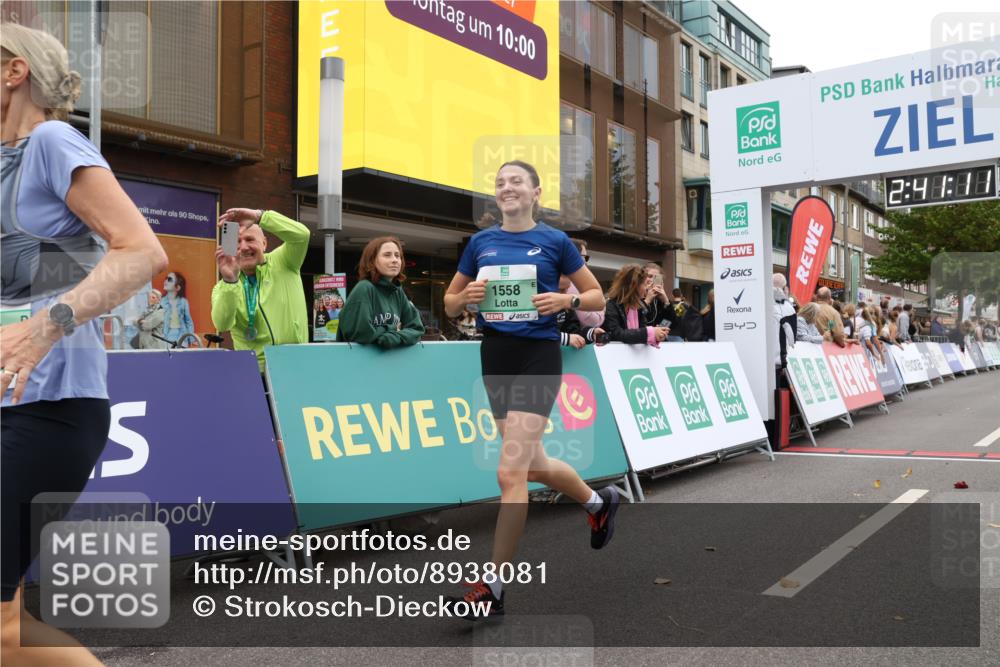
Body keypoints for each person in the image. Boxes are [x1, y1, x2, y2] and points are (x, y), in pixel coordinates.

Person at [0, 23, 168, 665]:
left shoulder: (49, 139)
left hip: (50, 408)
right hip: (14, 404)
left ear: (15, 72)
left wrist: (47, 326)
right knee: (10, 624)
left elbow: (141, 252)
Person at [442, 160, 614, 619]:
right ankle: (598, 502)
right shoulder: (480, 243)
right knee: (532, 463)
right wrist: (466, 300)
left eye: (516, 181)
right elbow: (449, 301)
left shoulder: (554, 242)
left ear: (536, 192)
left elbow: (597, 295)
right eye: (500, 183)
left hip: (538, 356)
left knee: (509, 473)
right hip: (495, 355)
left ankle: (493, 588)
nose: (507, 188)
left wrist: (567, 300)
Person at [211, 206, 310, 372]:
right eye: (236, 242)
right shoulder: (223, 287)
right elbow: (222, 324)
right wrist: (230, 281)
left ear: (264, 243)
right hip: (253, 373)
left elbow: (302, 236)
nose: (243, 247)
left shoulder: (284, 262)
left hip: (294, 367)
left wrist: (260, 216)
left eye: (250, 240)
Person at [337, 236, 425, 347]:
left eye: (397, 256)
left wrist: (394, 336)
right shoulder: (364, 288)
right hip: (359, 361)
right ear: (372, 260)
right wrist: (393, 329)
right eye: (387, 255)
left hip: (389, 362)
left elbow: (417, 329)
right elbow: (360, 333)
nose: (394, 260)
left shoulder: (398, 291)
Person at [603, 264, 670, 346]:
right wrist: (650, 332)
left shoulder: (637, 307)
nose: (647, 287)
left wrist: (656, 335)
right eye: (645, 284)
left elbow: (640, 332)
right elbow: (616, 333)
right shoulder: (611, 305)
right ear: (634, 286)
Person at [556, 276, 605, 348]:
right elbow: (537, 333)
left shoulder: (566, 307)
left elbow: (573, 330)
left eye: (567, 289)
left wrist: (590, 333)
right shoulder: (535, 306)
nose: (565, 294)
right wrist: (565, 338)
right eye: (561, 290)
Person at [566, 239, 604, 328]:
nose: (586, 262)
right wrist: (602, 310)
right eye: (584, 257)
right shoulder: (573, 284)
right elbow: (590, 321)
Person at [642, 262, 682, 340]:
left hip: (657, 343)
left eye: (656, 278)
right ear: (642, 278)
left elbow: (672, 324)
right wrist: (646, 301)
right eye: (649, 276)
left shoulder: (659, 300)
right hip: (640, 342)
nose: (652, 280)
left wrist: (666, 302)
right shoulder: (635, 298)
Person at [160, 270, 194, 346]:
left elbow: (188, 321)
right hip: (166, 336)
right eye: (166, 278)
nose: (166, 281)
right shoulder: (161, 302)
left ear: (177, 287)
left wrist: (191, 339)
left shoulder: (183, 302)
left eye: (169, 279)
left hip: (181, 335)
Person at [772, 273, 796, 366]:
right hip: (778, 360)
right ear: (785, 288)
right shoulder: (789, 308)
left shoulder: (760, 302)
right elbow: (793, 338)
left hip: (760, 357)